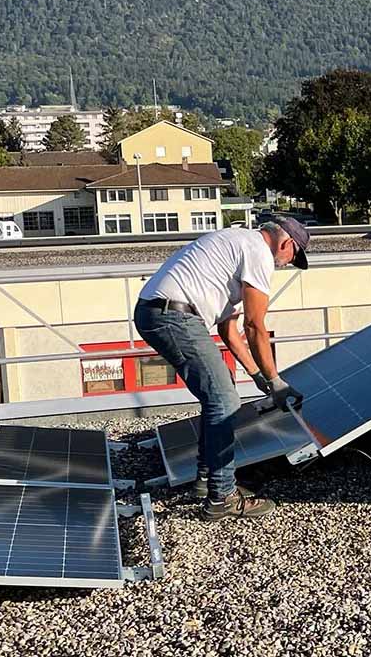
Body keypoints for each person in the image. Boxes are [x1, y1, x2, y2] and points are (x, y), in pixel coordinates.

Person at [134, 217, 310, 519]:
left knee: (219, 390)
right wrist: (276, 381)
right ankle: (223, 497)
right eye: (292, 258)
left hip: (160, 312)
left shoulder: (235, 246)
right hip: (174, 316)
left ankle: (207, 478)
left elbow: (231, 332)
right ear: (286, 244)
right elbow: (254, 326)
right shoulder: (258, 252)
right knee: (225, 400)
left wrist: (257, 376)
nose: (286, 265)